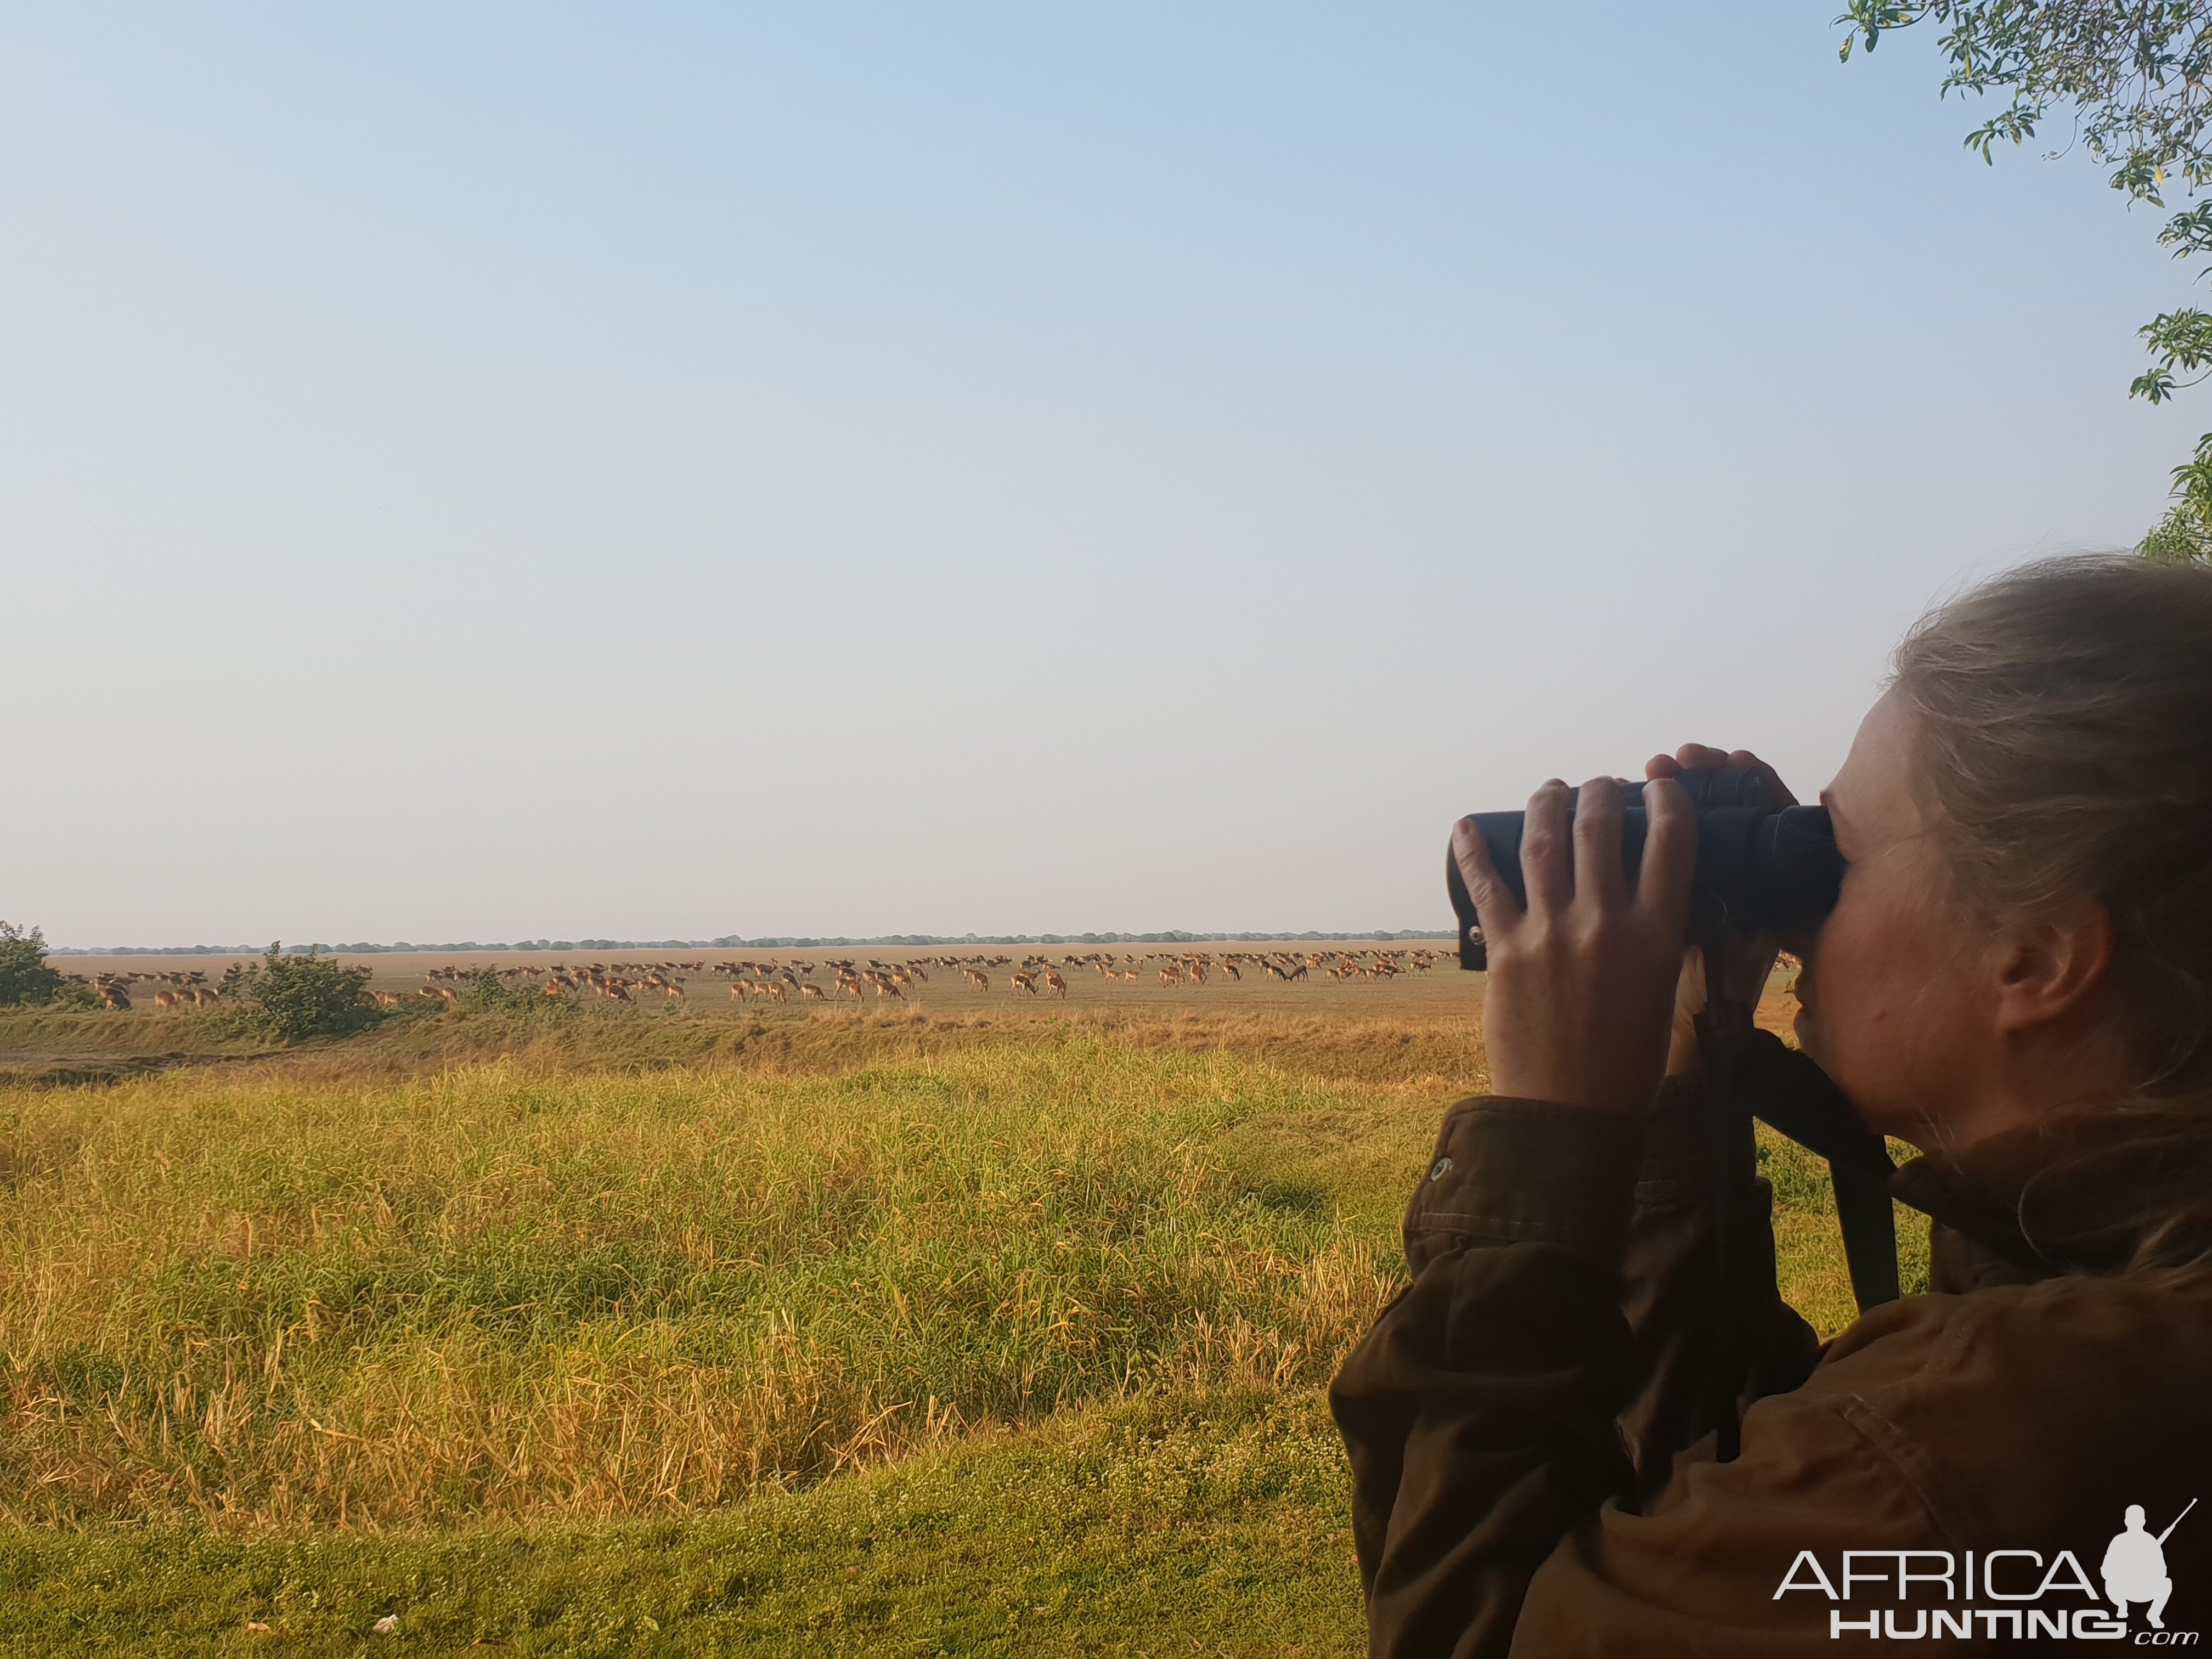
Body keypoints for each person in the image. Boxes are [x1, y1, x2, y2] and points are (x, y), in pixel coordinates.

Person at [1331, 555, 2212, 1655]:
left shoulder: (1984, 1440)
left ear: (2036, 955)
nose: (1794, 919)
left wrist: (1545, 1151)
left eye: (1830, 857)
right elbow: (1718, 1527)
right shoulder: (2098, 1279)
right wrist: (1688, 1072)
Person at [2103, 1505, 2175, 1629]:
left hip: (2145, 1589)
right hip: (2123, 1589)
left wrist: (2145, 1570)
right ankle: (2122, 1606)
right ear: (2126, 1522)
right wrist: (2124, 1572)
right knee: (2109, 1583)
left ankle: (2154, 1615)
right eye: (2132, 1520)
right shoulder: (2118, 1541)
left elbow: (2162, 1571)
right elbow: (2106, 1570)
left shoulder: (2151, 1541)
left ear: (2144, 1522)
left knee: (2166, 1583)